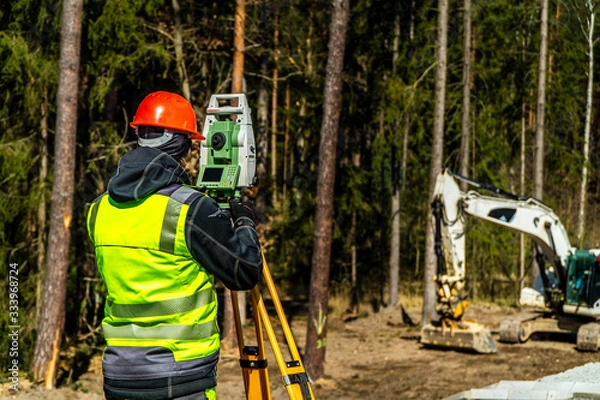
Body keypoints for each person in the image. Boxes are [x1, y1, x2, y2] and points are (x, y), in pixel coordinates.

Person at [86, 91, 263, 400]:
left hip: (119, 376)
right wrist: (244, 219)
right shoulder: (189, 209)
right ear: (183, 144)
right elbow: (244, 271)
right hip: (180, 379)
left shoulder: (99, 210)